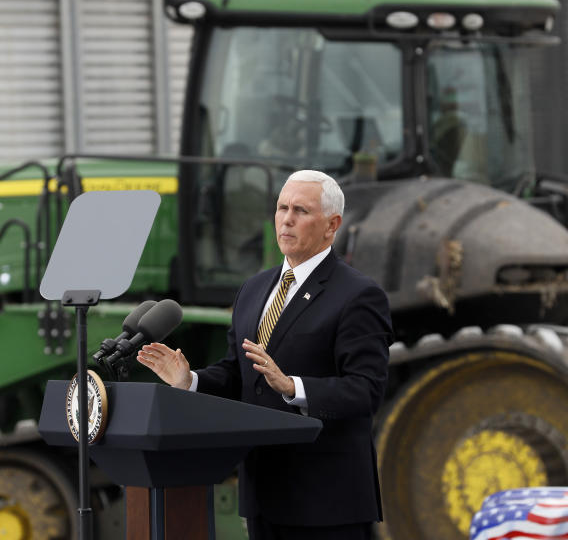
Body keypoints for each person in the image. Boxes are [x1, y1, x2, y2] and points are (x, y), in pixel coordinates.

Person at [138, 169, 393, 540]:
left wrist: (293, 387)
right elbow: (238, 375)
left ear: (331, 224)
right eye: (282, 208)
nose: (287, 219)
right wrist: (190, 381)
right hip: (263, 495)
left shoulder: (357, 295)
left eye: (301, 211)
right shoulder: (254, 289)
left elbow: (366, 390)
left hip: (327, 500)